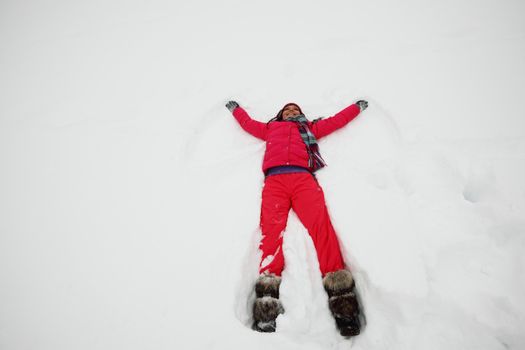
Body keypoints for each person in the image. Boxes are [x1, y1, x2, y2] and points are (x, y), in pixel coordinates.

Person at [225, 99, 368, 337]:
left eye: (296, 110)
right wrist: (236, 110)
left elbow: (335, 121)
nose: (292, 111)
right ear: (280, 115)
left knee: (322, 229)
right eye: (287, 110)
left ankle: (344, 303)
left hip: (303, 180)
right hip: (275, 183)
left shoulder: (310, 128)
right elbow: (248, 124)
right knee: (271, 234)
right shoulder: (270, 128)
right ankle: (266, 306)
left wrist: (356, 108)